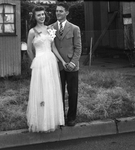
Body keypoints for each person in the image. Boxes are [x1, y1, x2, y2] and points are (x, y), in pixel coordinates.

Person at [26, 5, 66, 132]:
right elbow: (28, 50)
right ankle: (41, 122)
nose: (41, 17)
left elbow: (53, 48)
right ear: (35, 17)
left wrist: (62, 60)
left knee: (51, 89)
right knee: (41, 90)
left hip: (51, 62)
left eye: (43, 14)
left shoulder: (50, 29)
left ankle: (53, 119)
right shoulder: (32, 31)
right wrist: (35, 63)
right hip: (39, 62)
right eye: (38, 15)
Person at [53, 2, 82, 126]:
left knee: (72, 92)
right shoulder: (50, 28)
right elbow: (51, 46)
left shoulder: (74, 28)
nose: (58, 13)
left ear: (67, 12)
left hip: (71, 66)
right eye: (56, 11)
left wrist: (73, 63)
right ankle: (60, 117)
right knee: (58, 93)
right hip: (57, 66)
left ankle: (71, 117)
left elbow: (78, 47)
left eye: (61, 11)